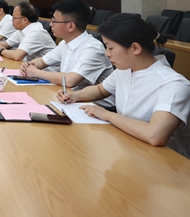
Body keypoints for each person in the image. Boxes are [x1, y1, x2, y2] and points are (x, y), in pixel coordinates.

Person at [57, 14, 190, 158]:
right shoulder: (125, 70)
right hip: (129, 147)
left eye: (110, 48)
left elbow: (155, 135)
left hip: (164, 161)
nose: (107, 54)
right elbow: (100, 89)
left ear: (135, 48)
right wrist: (75, 95)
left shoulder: (173, 84)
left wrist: (107, 115)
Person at [20, 0, 113, 103]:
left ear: (71, 26)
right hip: (70, 98)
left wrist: (36, 72)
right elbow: (42, 61)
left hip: (96, 105)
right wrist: (29, 66)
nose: (50, 24)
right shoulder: (64, 43)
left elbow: (70, 81)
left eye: (54, 21)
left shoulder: (92, 48)